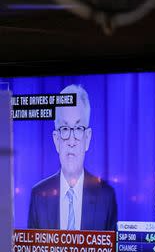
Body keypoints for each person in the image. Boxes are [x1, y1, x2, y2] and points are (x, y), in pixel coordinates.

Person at [27, 84, 117, 231]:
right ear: (56, 140)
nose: (71, 140)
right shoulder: (38, 195)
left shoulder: (106, 197)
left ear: (87, 138)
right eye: (64, 129)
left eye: (78, 128)